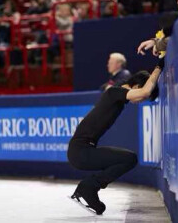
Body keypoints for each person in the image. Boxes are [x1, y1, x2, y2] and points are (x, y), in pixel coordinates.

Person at [68, 58, 164, 215]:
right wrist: (159, 67)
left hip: (82, 150)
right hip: (80, 152)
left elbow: (143, 92)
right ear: (136, 86)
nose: (141, 101)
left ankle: (89, 187)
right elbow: (145, 91)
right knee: (129, 158)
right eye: (143, 99)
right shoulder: (114, 93)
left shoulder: (116, 95)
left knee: (127, 158)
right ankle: (89, 186)